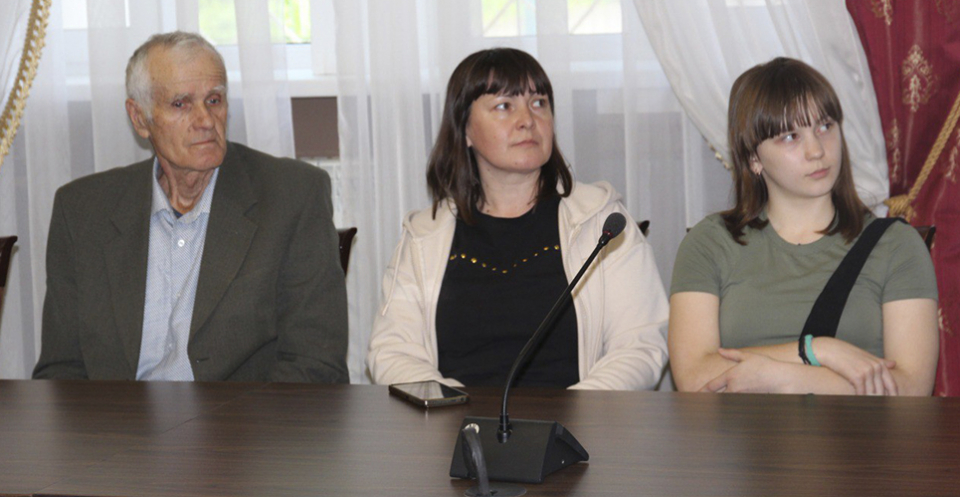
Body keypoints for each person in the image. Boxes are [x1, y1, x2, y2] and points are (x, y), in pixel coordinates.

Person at [32, 32, 348, 382]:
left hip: (242, 416)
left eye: (214, 100)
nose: (206, 120)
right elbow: (61, 372)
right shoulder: (82, 212)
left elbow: (316, 367)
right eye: (181, 104)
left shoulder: (292, 197)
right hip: (118, 416)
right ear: (139, 118)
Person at [367, 48, 669, 390]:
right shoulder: (424, 236)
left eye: (539, 103)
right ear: (464, 130)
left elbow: (640, 344)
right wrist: (446, 409)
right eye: (504, 106)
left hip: (576, 418)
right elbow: (392, 351)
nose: (528, 119)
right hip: (455, 419)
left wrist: (579, 411)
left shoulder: (600, 221)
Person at [669, 57, 938, 395]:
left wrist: (782, 377)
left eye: (825, 126)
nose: (816, 150)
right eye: (790, 136)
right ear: (753, 159)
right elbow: (695, 377)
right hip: (742, 430)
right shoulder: (709, 243)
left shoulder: (897, 245)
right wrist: (817, 350)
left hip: (856, 431)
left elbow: (912, 390)